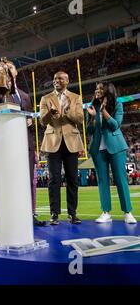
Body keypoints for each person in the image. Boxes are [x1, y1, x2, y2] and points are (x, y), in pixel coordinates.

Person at [0, 60, 46, 226]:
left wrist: (29, 122)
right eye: (3, 68)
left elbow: (31, 118)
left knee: (28, 182)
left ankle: (29, 215)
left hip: (26, 144)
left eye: (10, 67)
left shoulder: (25, 95)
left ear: (16, 71)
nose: (7, 69)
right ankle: (10, 215)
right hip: (7, 145)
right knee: (9, 181)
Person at [86, 82, 137, 224]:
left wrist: (103, 112)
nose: (97, 91)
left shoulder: (117, 105)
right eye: (96, 88)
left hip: (116, 146)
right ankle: (106, 212)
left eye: (101, 89)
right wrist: (92, 117)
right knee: (102, 181)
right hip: (98, 148)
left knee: (121, 179)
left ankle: (127, 212)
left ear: (108, 91)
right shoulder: (91, 107)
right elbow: (88, 131)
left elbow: (115, 125)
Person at [39, 71, 84, 225]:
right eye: (54, 78)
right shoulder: (45, 98)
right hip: (52, 141)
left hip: (71, 141)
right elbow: (42, 122)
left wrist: (68, 111)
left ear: (67, 80)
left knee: (72, 179)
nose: (56, 80)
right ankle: (54, 214)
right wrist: (50, 114)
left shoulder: (76, 97)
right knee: (54, 180)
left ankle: (72, 213)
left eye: (59, 78)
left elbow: (80, 118)